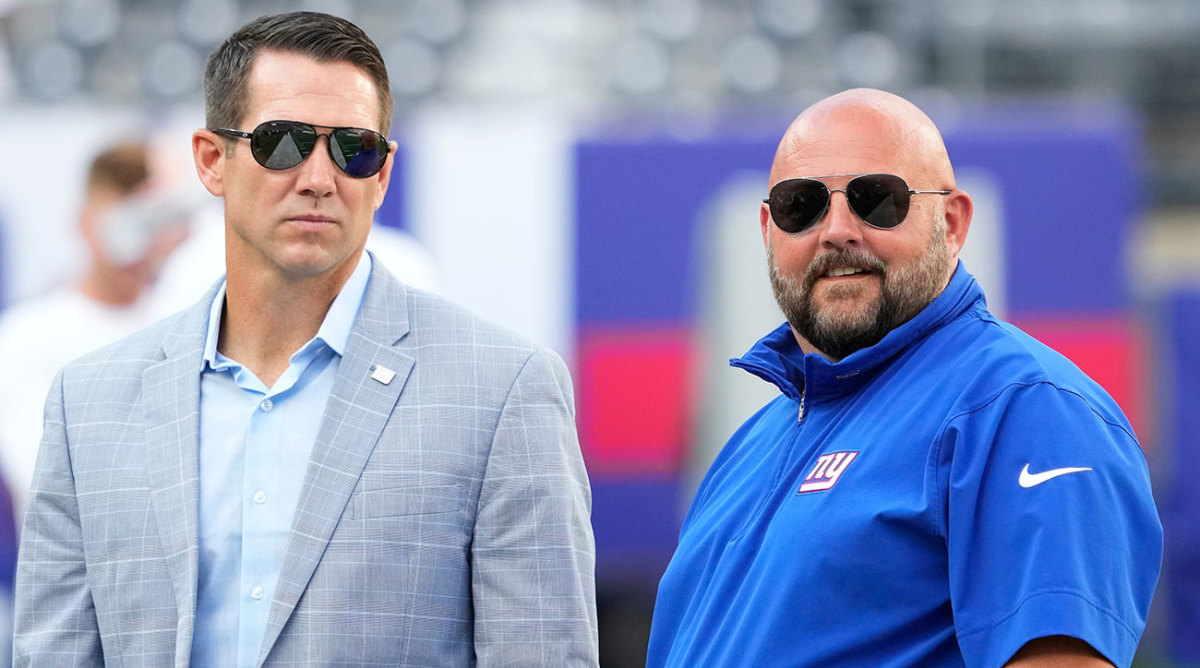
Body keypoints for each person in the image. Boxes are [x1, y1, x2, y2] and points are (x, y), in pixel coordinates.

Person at [13, 11, 597, 668]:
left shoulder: (503, 391)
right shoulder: (88, 401)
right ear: (211, 160)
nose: (319, 177)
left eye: (355, 148)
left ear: (381, 174)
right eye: (283, 142)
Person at [647, 89, 1161, 668]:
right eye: (801, 205)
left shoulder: (1025, 408)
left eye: (876, 199)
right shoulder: (752, 444)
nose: (836, 229)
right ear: (769, 229)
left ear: (952, 220)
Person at [0, 140, 190, 520]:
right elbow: (45, 477)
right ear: (84, 224)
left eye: (149, 221)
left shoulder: (186, 330)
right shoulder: (24, 338)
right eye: (121, 225)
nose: (133, 245)